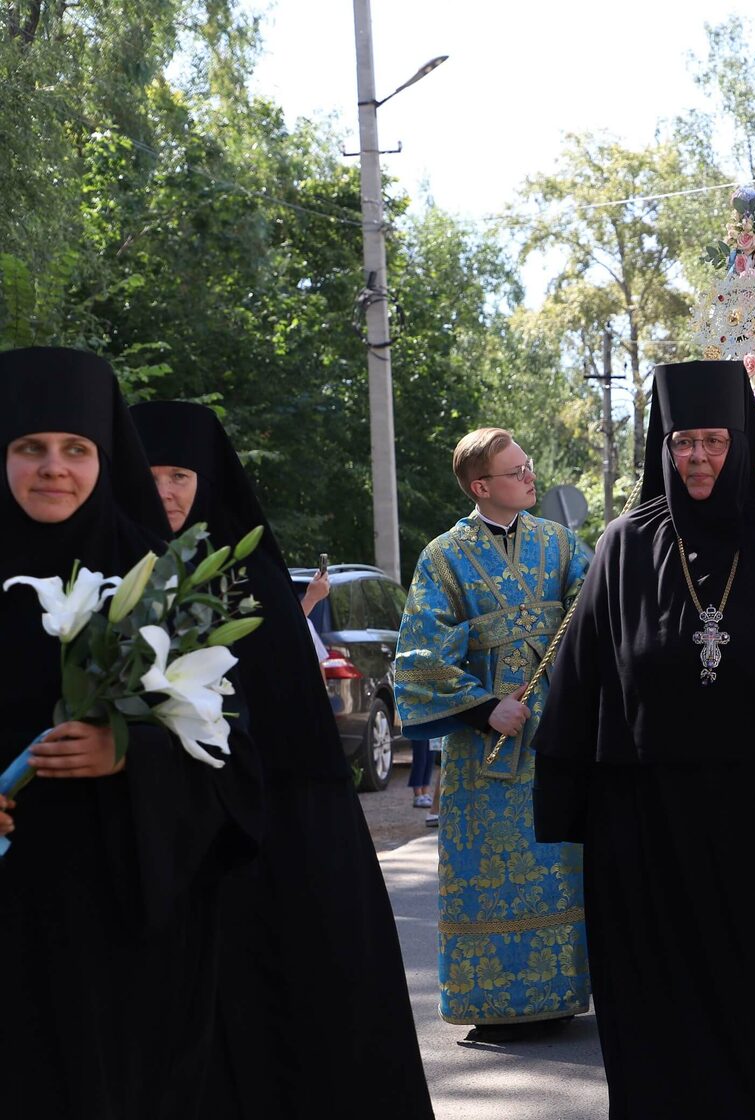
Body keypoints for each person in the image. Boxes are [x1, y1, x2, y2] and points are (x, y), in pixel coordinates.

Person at [531, 360, 755, 1118]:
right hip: (649, 827)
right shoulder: (625, 545)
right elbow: (584, 674)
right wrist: (569, 801)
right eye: (684, 441)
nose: (697, 458)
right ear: (664, 446)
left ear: (742, 446)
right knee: (663, 1014)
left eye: (714, 442)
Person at [132, 400, 433, 1118]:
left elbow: (289, 744)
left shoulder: (253, 586)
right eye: (149, 476)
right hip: (155, 850)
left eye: (181, 475)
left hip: (267, 847)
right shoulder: (116, 575)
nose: (166, 492)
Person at [0, 347, 262, 1117]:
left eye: (76, 450)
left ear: (104, 459)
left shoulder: (159, 577)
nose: (55, 469)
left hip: (122, 924)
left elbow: (234, 760)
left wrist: (129, 753)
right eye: (29, 449)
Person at [393, 428, 592, 1043]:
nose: (530, 476)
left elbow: (597, 615)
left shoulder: (560, 544)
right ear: (482, 487)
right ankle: (493, 1000)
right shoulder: (442, 557)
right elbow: (418, 653)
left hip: (554, 738)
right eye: (516, 471)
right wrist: (483, 709)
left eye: (528, 465)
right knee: (485, 868)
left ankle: (558, 995)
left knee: (557, 862)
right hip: (485, 753)